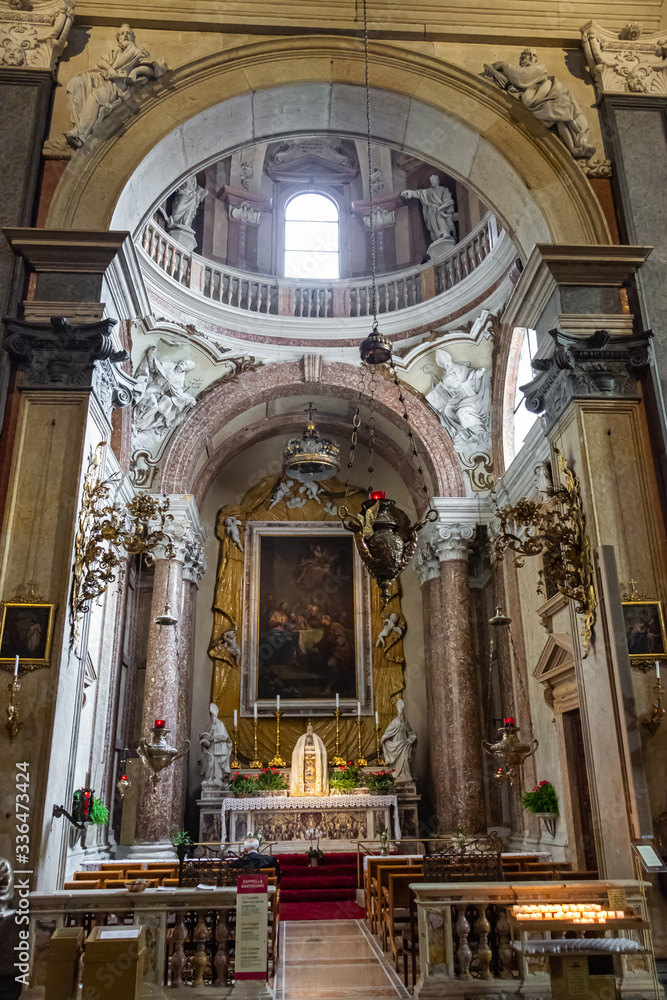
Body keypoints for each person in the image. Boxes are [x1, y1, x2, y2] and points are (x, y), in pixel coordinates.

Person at [65, 24, 167, 147]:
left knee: (95, 96)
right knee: (75, 83)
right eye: (122, 34)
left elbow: (149, 69)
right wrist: (109, 69)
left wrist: (135, 72)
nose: (125, 36)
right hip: (102, 76)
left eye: (128, 34)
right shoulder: (115, 53)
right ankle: (80, 122)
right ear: (118, 38)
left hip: (117, 83)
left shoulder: (138, 52)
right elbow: (101, 62)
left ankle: (81, 132)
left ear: (132, 38)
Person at [484, 48, 595, 160]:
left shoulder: (540, 68)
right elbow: (519, 77)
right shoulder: (518, 70)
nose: (532, 58)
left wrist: (504, 65)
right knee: (559, 117)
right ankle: (574, 147)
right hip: (542, 97)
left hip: (552, 96)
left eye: (534, 56)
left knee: (562, 118)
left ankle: (574, 146)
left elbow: (522, 76)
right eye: (528, 55)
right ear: (522, 57)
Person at [401, 175, 457, 242]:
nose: (432, 182)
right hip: (431, 212)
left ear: (437, 180)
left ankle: (445, 233)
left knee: (440, 219)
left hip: (441, 210)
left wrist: (444, 207)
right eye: (431, 180)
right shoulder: (429, 191)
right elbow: (420, 193)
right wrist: (410, 192)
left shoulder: (443, 189)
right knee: (433, 224)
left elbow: (448, 200)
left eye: (433, 180)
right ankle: (438, 237)